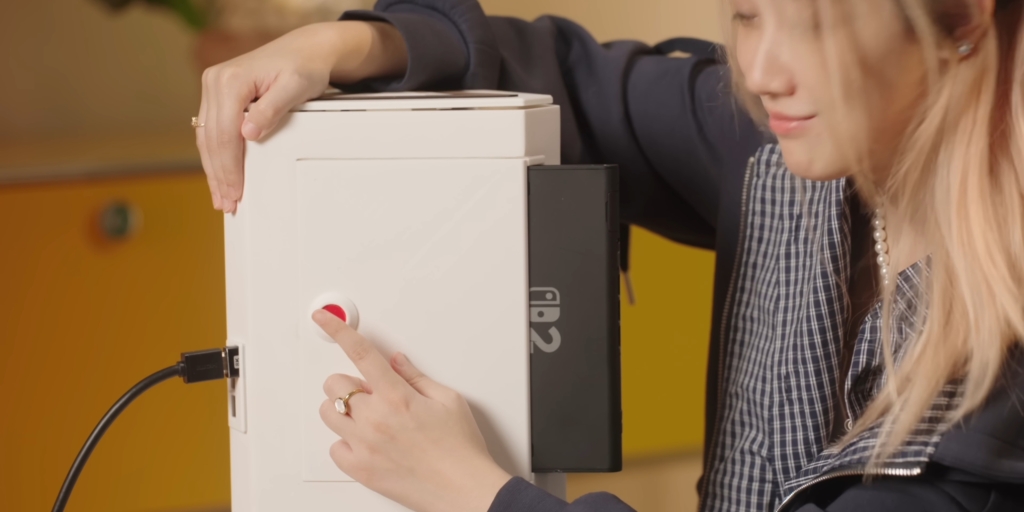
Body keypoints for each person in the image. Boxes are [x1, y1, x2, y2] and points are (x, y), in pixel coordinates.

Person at [193, 0, 1024, 510]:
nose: (762, 70)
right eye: (746, 15)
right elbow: (573, 81)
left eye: (812, 23)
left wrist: (472, 491)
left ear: (960, 20)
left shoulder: (1004, 367)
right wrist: (336, 46)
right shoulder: (777, 143)